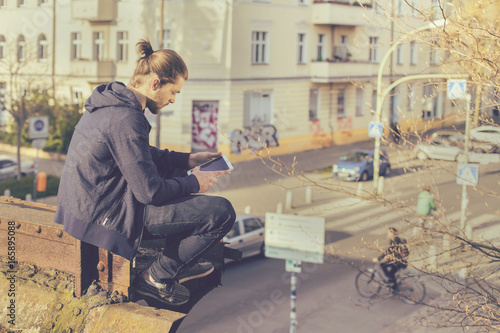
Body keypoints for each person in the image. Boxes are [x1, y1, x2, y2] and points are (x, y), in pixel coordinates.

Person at [54, 39, 236, 306]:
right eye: (174, 92)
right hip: (106, 217)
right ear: (155, 84)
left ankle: (175, 264)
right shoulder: (128, 118)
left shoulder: (111, 103)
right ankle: (156, 278)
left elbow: (138, 154)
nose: (173, 100)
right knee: (221, 213)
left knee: (185, 198)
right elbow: (151, 192)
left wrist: (188, 159)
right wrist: (194, 182)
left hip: (85, 208)